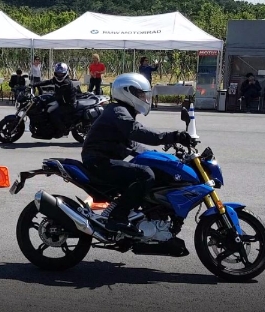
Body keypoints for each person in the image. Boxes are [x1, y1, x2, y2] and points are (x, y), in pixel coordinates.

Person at [81, 73, 193, 237]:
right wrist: (172, 136)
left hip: (104, 160)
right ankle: (117, 218)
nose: (144, 98)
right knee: (145, 174)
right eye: (141, 95)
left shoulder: (121, 111)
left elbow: (133, 145)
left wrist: (161, 158)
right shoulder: (118, 111)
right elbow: (136, 132)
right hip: (99, 161)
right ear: (128, 92)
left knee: (152, 168)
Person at [30, 62, 77, 138]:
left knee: (53, 114)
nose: (59, 75)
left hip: (68, 104)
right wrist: (35, 84)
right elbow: (48, 82)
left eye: (61, 73)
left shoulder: (66, 82)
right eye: (58, 73)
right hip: (60, 102)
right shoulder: (56, 79)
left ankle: (62, 130)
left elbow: (59, 94)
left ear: (65, 73)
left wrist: (46, 96)